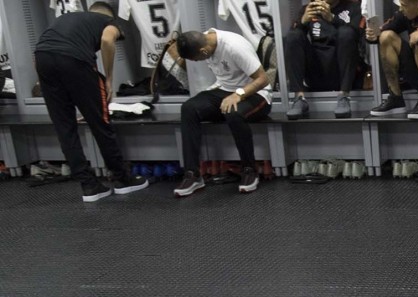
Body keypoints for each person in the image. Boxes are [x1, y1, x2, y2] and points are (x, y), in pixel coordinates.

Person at [33, 1, 149, 203]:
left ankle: (89, 186)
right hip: (74, 60)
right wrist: (110, 79)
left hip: (43, 59)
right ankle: (123, 179)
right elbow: (107, 41)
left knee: (64, 127)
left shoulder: (66, 19)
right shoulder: (108, 22)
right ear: (109, 16)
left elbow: (44, 50)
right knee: (100, 123)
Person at [172, 29, 272, 197]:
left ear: (204, 51)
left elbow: (263, 79)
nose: (197, 62)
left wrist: (238, 95)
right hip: (225, 90)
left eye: (196, 59)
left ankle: (249, 170)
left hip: (257, 94)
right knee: (189, 108)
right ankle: (193, 174)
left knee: (233, 112)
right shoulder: (203, 41)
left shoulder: (234, 46)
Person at [284, 0, 364, 119]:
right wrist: (302, 22)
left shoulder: (354, 7)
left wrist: (332, 18)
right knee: (292, 35)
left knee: (346, 32)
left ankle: (344, 96)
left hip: (343, 71)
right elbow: (292, 42)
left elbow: (359, 36)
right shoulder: (309, 8)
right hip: (317, 70)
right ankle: (299, 98)